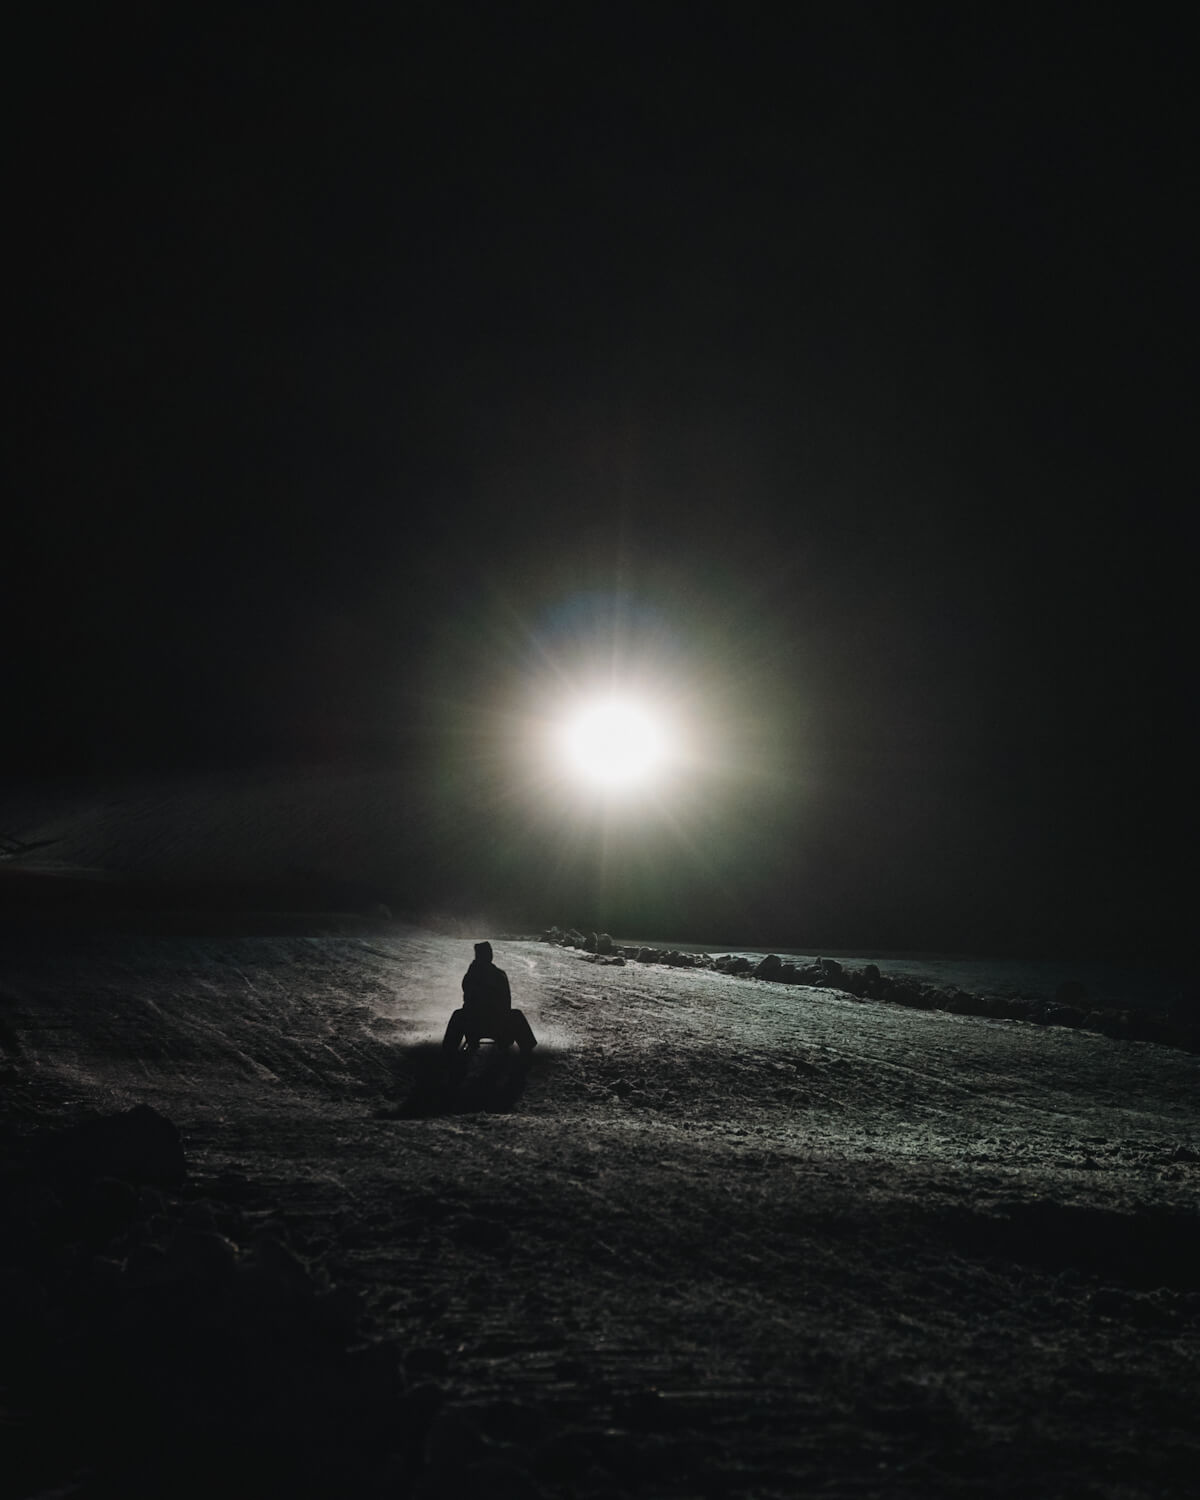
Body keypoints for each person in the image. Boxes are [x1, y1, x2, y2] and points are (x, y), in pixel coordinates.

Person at [442, 941, 537, 1055]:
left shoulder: (471, 974)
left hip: (474, 1023)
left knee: (458, 1015)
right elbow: (506, 1001)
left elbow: (466, 995)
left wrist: (472, 969)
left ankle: (448, 1049)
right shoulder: (499, 974)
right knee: (516, 1014)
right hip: (497, 1023)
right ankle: (527, 1047)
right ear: (490, 956)